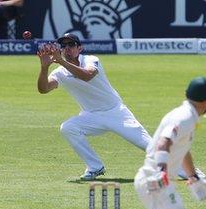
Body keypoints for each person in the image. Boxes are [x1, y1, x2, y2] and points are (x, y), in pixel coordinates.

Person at [37, 33, 151, 180]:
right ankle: (95, 167)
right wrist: (44, 67)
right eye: (63, 46)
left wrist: (61, 61)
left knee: (148, 146)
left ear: (79, 48)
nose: (67, 49)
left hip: (116, 112)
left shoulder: (91, 60)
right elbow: (44, 89)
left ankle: (185, 170)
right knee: (68, 128)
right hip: (90, 116)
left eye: (71, 45)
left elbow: (87, 76)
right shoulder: (59, 73)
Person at [134, 77, 206, 209]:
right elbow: (164, 143)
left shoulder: (187, 115)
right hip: (154, 180)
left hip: (160, 181)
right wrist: (161, 172)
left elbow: (183, 149)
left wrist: (193, 176)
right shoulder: (185, 117)